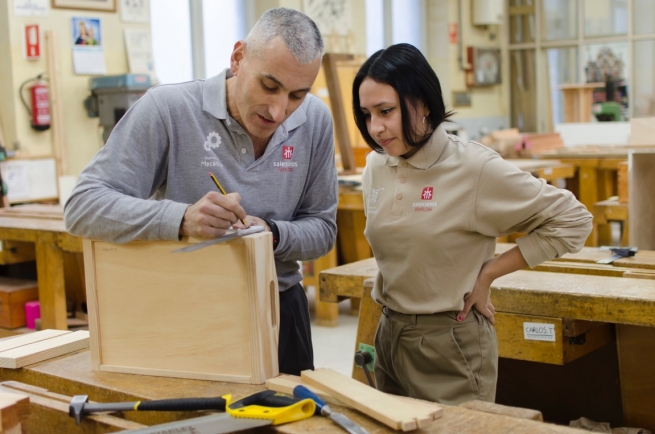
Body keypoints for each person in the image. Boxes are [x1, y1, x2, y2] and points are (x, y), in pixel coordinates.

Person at [64, 8, 338, 376]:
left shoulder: (315, 121)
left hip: (280, 308)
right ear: (238, 58)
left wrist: (272, 234)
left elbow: (323, 229)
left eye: (296, 95)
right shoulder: (168, 110)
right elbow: (83, 206)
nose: (278, 110)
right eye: (269, 86)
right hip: (188, 308)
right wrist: (181, 219)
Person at [352, 43, 592, 405]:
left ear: (423, 103)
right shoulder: (376, 166)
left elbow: (573, 219)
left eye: (386, 111)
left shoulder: (474, 168)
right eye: (367, 114)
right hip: (389, 334)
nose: (376, 128)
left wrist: (488, 273)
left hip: (450, 341)